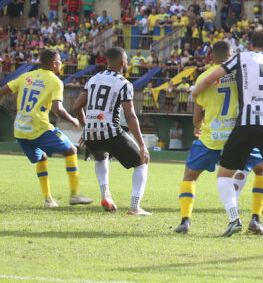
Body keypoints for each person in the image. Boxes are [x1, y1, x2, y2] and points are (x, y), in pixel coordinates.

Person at [190, 30, 263, 237]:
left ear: (251, 46)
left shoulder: (242, 57)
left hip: (247, 123)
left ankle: (234, 219)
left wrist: (196, 92)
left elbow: (211, 78)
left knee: (224, 175)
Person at [173, 40, 263, 234]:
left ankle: (185, 221)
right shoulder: (242, 75)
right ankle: (255, 219)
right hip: (240, 135)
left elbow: (196, 116)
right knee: (262, 171)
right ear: (233, 55)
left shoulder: (205, 76)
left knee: (190, 176)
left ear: (212, 57)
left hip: (212, 137)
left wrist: (198, 127)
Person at [0, 49, 92, 207]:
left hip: (20, 129)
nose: (61, 65)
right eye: (60, 62)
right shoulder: (55, 81)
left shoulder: (26, 76)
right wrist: (73, 120)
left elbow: (2, 91)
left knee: (41, 158)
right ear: (54, 64)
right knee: (71, 151)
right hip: (39, 128)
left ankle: (49, 199)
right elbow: (58, 109)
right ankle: (75, 195)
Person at [72, 47, 150, 215]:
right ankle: (134, 207)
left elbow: (77, 107)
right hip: (110, 130)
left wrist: (87, 128)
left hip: (90, 132)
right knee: (141, 162)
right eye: (127, 61)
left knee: (101, 156)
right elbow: (130, 116)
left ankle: (105, 194)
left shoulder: (92, 79)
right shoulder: (123, 83)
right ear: (123, 62)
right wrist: (142, 144)